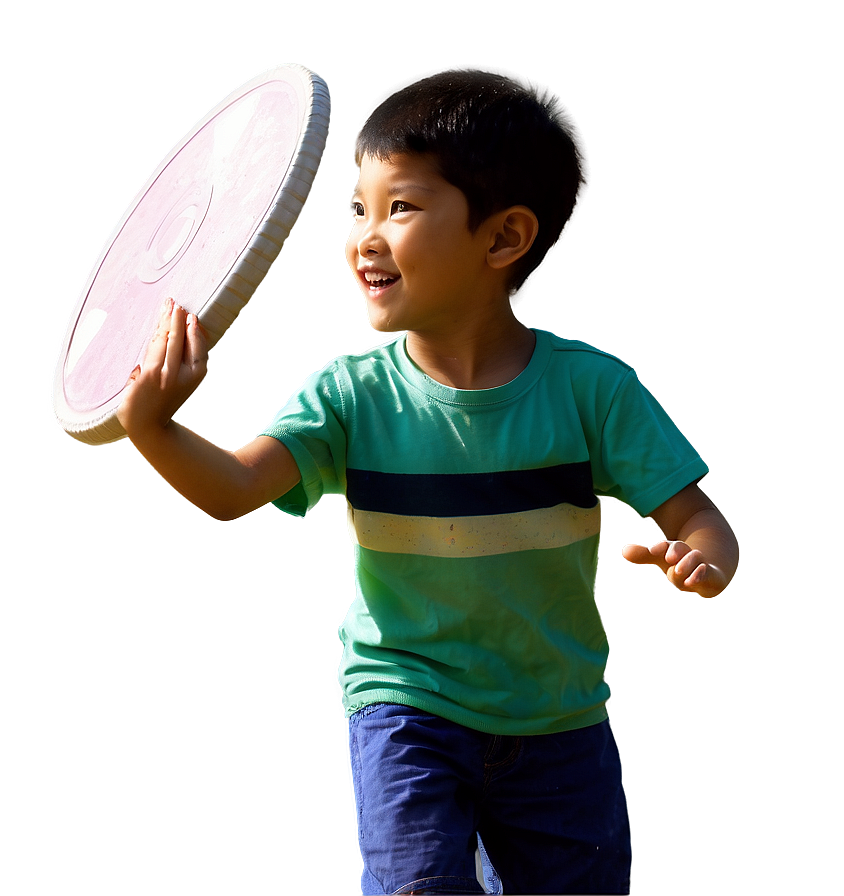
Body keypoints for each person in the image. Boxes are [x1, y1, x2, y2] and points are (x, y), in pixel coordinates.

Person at [117, 69, 739, 895]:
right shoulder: (349, 397)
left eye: (399, 207)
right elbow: (234, 489)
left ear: (503, 239)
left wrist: (705, 555)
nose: (365, 237)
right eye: (357, 209)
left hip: (559, 724)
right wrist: (152, 428)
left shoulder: (592, 390)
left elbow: (695, 510)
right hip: (406, 709)